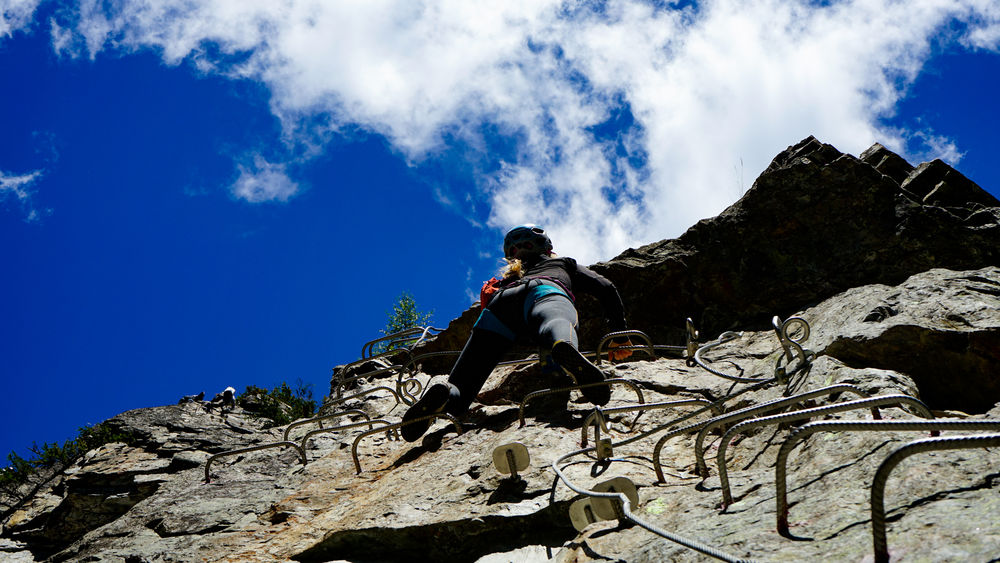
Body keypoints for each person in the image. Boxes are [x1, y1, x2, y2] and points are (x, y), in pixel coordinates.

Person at [401, 224, 632, 442]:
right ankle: (563, 346)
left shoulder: (508, 277)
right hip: (543, 290)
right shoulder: (562, 263)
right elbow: (606, 288)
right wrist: (620, 337)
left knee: (464, 385)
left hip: (500, 305)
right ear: (546, 247)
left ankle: (447, 393)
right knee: (556, 320)